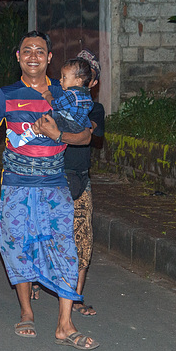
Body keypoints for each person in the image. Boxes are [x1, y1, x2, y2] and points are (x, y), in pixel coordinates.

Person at [0, 30, 99, 350]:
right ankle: (26, 311)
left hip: (55, 185)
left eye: (40, 50)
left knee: (65, 250)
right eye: (27, 50)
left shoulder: (65, 92)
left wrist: (59, 133)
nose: (33, 55)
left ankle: (64, 324)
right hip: (17, 186)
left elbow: (86, 136)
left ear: (49, 58)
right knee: (17, 246)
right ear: (18, 57)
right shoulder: (5, 95)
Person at [65, 49, 105, 316]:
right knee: (45, 231)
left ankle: (76, 296)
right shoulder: (58, 100)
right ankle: (34, 281)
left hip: (80, 179)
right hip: (53, 175)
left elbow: (88, 133)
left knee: (83, 238)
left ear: (92, 83)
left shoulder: (95, 108)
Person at [7, 57, 94, 148]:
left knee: (42, 121)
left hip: (70, 124)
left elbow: (56, 105)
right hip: (79, 127)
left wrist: (48, 96)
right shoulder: (87, 95)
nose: (60, 80)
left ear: (78, 81)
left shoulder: (71, 95)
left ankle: (20, 140)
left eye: (64, 77)